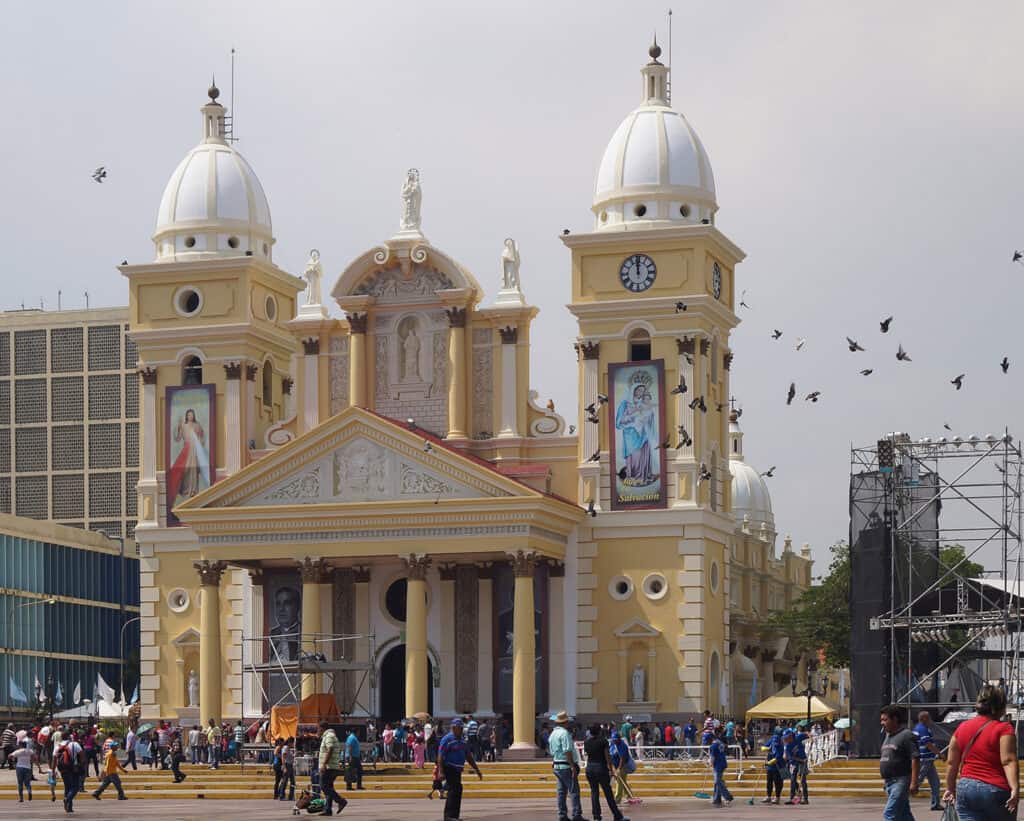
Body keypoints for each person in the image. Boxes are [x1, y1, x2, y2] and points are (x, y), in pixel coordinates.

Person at [943, 684, 1019, 821]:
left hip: (966, 788)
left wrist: (950, 788)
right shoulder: (1004, 729)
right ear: (1000, 707)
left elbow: (951, 762)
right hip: (995, 788)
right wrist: (1014, 788)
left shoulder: (962, 727)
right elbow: (1008, 760)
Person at [879, 703, 920, 821]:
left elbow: (915, 758)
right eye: (881, 720)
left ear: (895, 719)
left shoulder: (906, 735)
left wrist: (914, 782)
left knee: (889, 814)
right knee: (904, 814)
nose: (882, 723)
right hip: (889, 782)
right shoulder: (888, 736)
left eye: (885, 720)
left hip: (901, 781)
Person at [438, 718, 482, 821]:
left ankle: (454, 815)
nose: (462, 730)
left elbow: (468, 756)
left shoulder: (462, 740)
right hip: (449, 767)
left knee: (457, 789)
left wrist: (477, 769)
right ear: (453, 728)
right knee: (454, 789)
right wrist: (441, 771)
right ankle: (449, 816)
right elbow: (440, 755)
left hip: (458, 769)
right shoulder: (447, 739)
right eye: (460, 728)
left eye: (462, 728)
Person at [583, 724, 629, 821]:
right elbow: (607, 756)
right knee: (608, 793)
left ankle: (596, 817)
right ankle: (617, 815)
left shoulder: (586, 742)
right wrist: (611, 770)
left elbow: (587, 755)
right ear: (599, 731)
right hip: (601, 768)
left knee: (594, 792)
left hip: (590, 768)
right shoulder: (603, 741)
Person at [548, 711, 586, 821]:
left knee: (561, 792)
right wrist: (572, 766)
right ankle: (576, 814)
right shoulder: (564, 733)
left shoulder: (553, 734)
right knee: (574, 791)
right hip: (566, 765)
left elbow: (551, 751)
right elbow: (567, 751)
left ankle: (562, 815)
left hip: (556, 765)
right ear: (565, 722)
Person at [912, 710, 942, 812]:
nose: (930, 719)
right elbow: (928, 744)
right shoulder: (922, 729)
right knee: (917, 781)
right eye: (928, 717)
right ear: (923, 718)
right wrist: (940, 753)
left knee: (935, 782)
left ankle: (935, 803)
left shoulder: (918, 728)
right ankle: (901, 799)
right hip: (924, 759)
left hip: (928, 759)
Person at [318, 721, 347, 816]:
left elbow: (330, 749)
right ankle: (328, 810)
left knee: (324, 786)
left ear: (322, 728)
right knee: (329, 787)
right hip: (331, 766)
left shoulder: (329, 736)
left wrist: (324, 764)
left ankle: (341, 801)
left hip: (329, 767)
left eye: (318, 728)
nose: (318, 730)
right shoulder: (330, 736)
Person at [54, 736, 84, 814]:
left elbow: (54, 758)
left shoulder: (58, 745)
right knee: (75, 787)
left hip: (63, 769)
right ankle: (67, 799)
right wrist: (81, 765)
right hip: (73, 768)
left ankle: (69, 807)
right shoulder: (75, 744)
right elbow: (82, 755)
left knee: (67, 787)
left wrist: (53, 771)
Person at [783, 727, 809, 805]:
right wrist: (801, 760)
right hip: (794, 762)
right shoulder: (788, 746)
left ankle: (805, 799)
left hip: (803, 761)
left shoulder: (798, 737)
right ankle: (792, 798)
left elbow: (807, 734)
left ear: (791, 735)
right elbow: (791, 757)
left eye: (787, 737)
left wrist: (811, 737)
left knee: (803, 780)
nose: (786, 739)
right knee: (792, 779)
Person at [710, 727, 734, 807]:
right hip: (723, 763)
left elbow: (713, 757)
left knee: (718, 781)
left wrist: (711, 764)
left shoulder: (713, 746)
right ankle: (717, 798)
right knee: (718, 781)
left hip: (718, 765)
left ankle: (728, 796)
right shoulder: (720, 743)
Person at [609, 730, 633, 803]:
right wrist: (612, 767)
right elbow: (610, 755)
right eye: (613, 740)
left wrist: (619, 768)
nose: (615, 741)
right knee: (622, 782)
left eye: (616, 740)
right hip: (615, 765)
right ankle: (629, 796)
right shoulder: (612, 744)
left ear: (619, 739)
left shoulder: (622, 745)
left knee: (619, 782)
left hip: (622, 766)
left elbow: (622, 759)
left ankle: (617, 799)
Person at [761, 728, 785, 804]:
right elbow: (762, 748)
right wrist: (767, 748)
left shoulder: (781, 744)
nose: (775, 739)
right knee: (769, 782)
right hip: (770, 768)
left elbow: (777, 758)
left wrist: (768, 763)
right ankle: (769, 796)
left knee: (778, 783)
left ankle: (777, 797)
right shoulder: (772, 739)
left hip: (778, 767)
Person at [281, 737, 297, 802]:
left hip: (290, 765)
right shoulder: (285, 748)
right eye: (293, 743)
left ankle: (291, 796)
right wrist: (284, 767)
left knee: (292, 782)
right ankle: (282, 795)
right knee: (285, 781)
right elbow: (283, 758)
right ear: (290, 742)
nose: (293, 744)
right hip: (287, 765)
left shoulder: (288, 749)